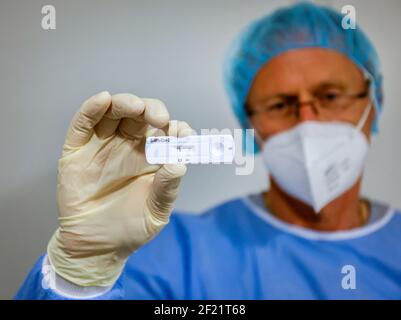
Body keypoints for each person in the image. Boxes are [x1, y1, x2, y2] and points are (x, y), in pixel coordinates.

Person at [15, 2, 401, 299]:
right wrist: (80, 273)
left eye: (330, 96)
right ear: (249, 125)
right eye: (281, 104)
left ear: (375, 101)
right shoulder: (175, 253)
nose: (307, 121)